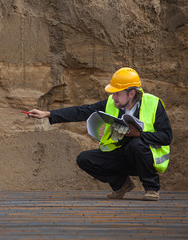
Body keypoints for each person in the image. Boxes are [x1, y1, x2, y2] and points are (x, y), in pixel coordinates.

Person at [28, 67, 172, 201]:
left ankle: (152, 189)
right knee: (84, 159)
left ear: (132, 93)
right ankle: (121, 184)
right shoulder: (111, 103)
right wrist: (48, 114)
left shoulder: (153, 104)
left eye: (117, 93)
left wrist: (138, 134)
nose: (113, 97)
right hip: (122, 157)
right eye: (113, 93)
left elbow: (166, 137)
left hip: (145, 159)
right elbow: (82, 111)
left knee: (136, 145)